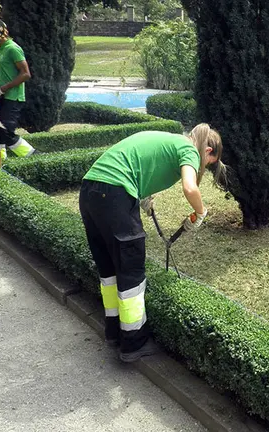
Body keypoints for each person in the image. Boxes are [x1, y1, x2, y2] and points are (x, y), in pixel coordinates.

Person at [79, 124, 226, 362]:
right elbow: (190, 187)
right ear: (207, 150)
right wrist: (200, 212)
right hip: (115, 193)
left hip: (89, 191)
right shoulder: (189, 149)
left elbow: (137, 160)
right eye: (210, 162)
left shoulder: (166, 139)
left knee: (109, 270)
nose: (206, 167)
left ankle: (113, 332)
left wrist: (141, 195)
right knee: (131, 271)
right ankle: (133, 343)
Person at [0, 17, 35, 161]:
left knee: (6, 132)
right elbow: (2, 75)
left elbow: (25, 74)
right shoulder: (2, 49)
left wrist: (3, 89)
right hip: (1, 97)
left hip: (13, 97)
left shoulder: (12, 48)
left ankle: (34, 158)